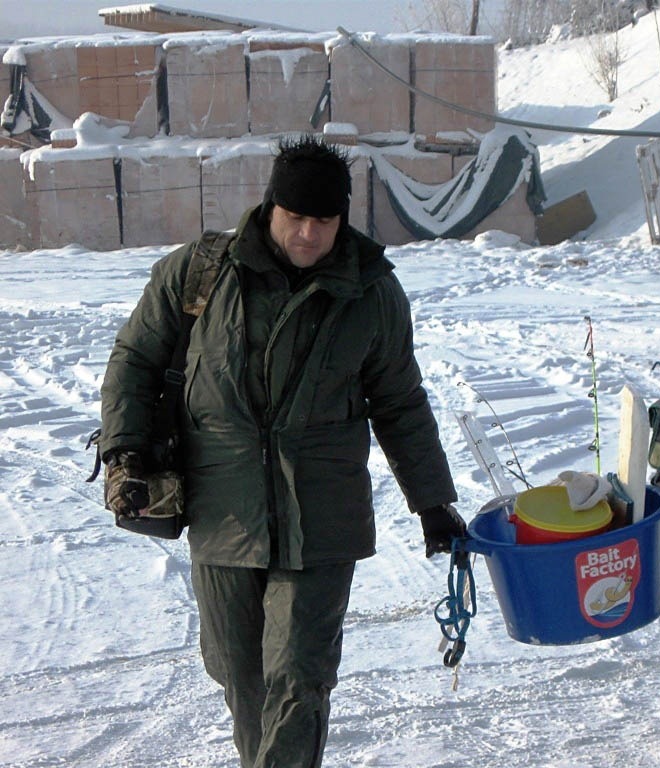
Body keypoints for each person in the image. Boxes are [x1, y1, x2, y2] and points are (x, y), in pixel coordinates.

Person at [99, 135, 467, 768]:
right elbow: (135, 358)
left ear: (341, 220)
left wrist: (432, 501)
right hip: (223, 509)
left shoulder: (371, 293)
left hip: (321, 515)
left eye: (323, 222)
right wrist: (125, 449)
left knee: (299, 678)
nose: (307, 235)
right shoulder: (202, 273)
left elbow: (401, 402)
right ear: (270, 206)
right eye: (295, 218)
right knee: (241, 676)